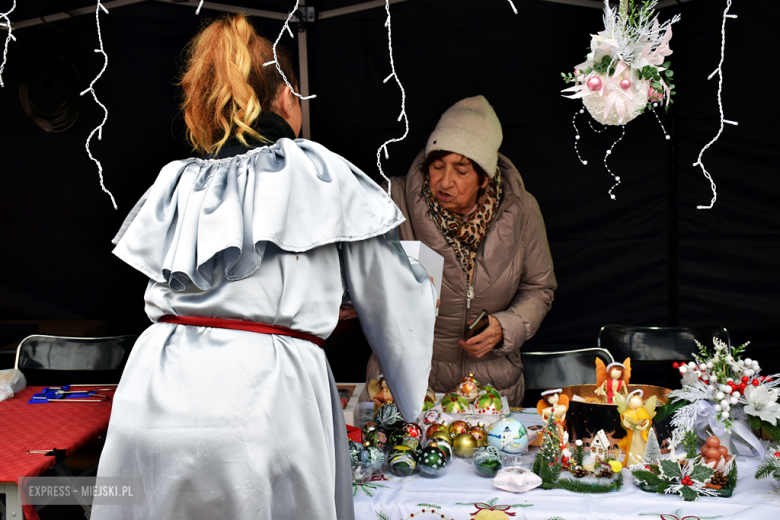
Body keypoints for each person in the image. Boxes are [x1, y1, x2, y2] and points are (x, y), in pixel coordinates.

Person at [92, 15, 436, 520]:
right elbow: (396, 302)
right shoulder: (319, 173)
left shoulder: (175, 183)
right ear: (286, 98)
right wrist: (412, 375)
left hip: (153, 394)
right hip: (265, 399)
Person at [366, 96, 556, 406]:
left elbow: (539, 287)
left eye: (461, 170)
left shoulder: (521, 211)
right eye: (437, 166)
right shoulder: (392, 200)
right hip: (406, 381)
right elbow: (355, 268)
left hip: (489, 389)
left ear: (484, 177)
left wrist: (505, 327)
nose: (445, 182)